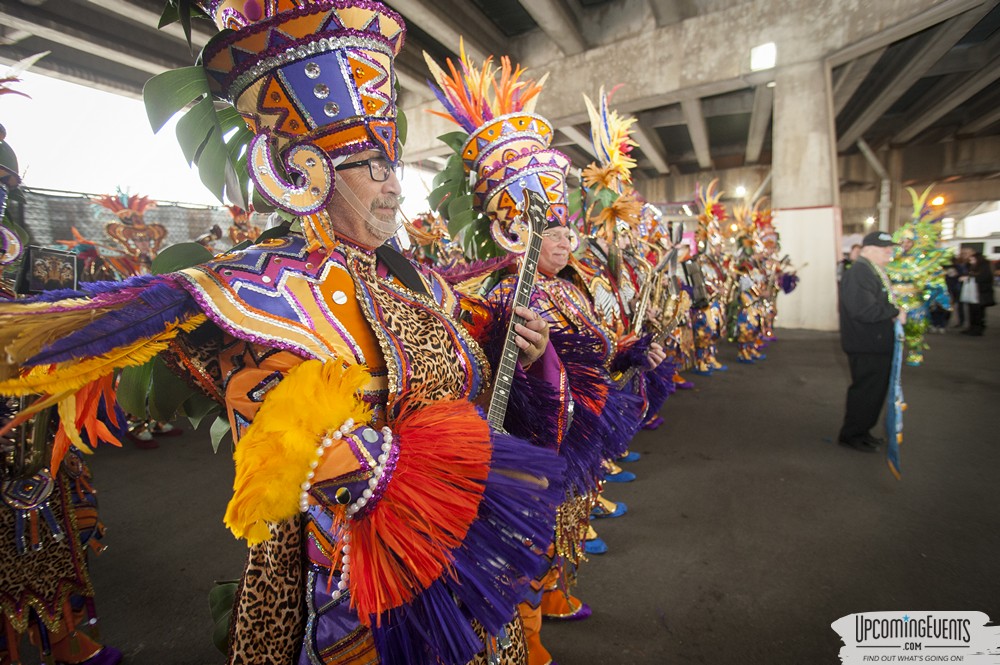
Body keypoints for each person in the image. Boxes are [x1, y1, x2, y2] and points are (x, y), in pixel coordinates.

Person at [0, 3, 568, 664]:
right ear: (307, 171)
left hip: (453, 561)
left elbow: (489, 384)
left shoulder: (424, 284)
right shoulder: (262, 292)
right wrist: (435, 478)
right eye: (369, 167)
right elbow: (291, 443)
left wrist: (526, 354)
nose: (390, 188)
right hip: (347, 589)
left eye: (391, 167)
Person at [838, 231, 906, 453]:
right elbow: (864, 309)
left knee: (873, 392)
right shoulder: (860, 273)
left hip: (873, 342)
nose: (889, 252)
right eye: (884, 248)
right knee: (865, 391)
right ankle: (852, 435)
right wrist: (894, 311)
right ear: (868, 250)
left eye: (890, 248)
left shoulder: (871, 271)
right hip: (866, 343)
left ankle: (863, 431)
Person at [962, 251, 995, 336]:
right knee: (972, 311)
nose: (970, 261)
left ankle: (977, 329)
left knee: (978, 313)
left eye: (972, 259)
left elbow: (984, 278)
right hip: (974, 293)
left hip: (980, 294)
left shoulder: (985, 267)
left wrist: (971, 277)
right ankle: (972, 327)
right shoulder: (974, 267)